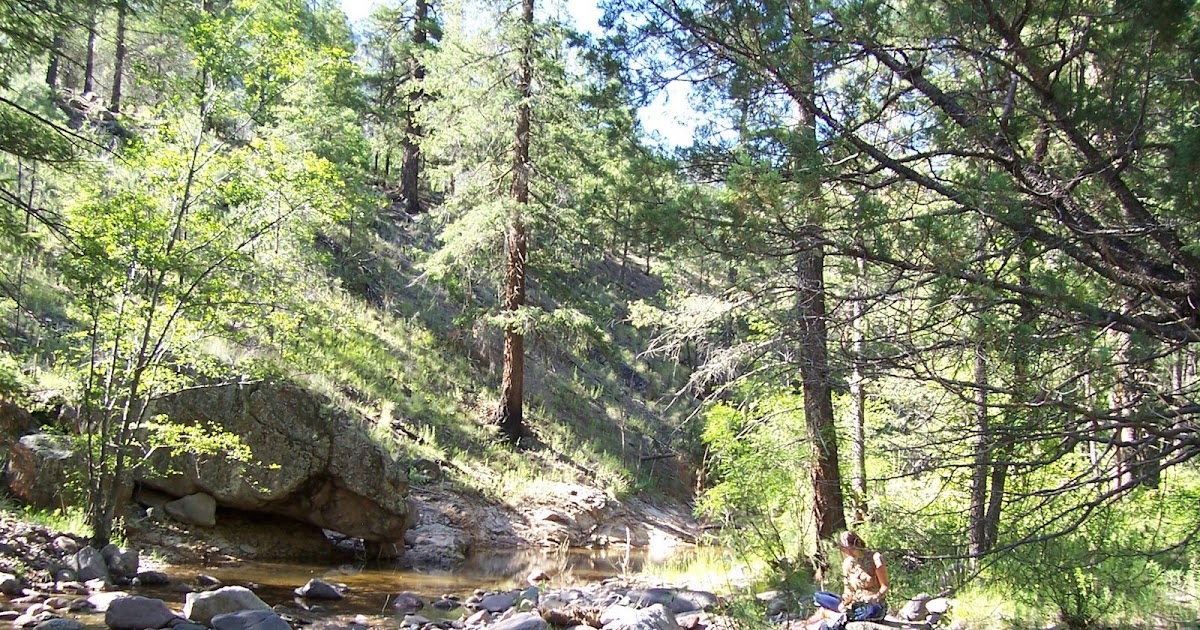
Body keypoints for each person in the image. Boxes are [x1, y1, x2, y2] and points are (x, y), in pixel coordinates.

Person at [807, 531, 890, 629]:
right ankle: (840, 614)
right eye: (846, 551)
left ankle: (834, 615)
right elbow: (848, 590)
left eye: (851, 549)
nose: (849, 553)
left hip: (871, 604)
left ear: (857, 544)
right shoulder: (847, 563)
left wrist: (876, 597)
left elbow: (885, 586)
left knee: (872, 610)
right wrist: (844, 603)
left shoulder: (875, 558)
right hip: (853, 603)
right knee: (819, 596)